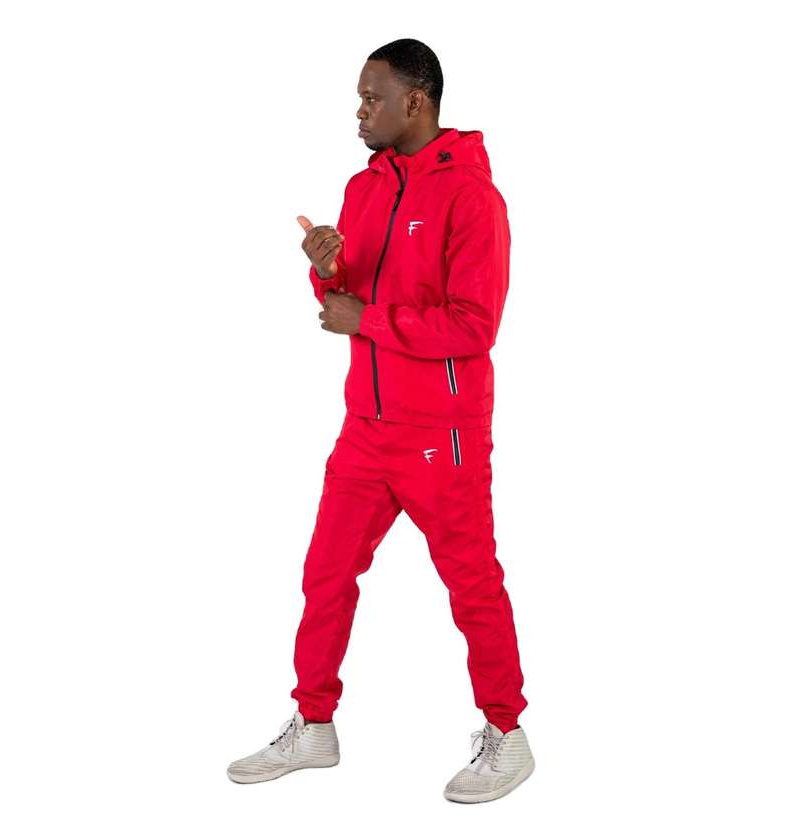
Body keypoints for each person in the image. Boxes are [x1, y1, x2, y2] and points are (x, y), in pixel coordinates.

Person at [227, 38, 534, 804]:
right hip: (366, 424)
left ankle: (508, 733)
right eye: (360, 98)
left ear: (416, 101)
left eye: (373, 98)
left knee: (471, 583)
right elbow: (351, 289)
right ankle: (314, 724)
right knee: (325, 573)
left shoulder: (473, 199)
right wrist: (324, 266)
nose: (360, 112)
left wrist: (362, 317)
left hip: (442, 434)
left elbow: (473, 325)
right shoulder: (364, 187)